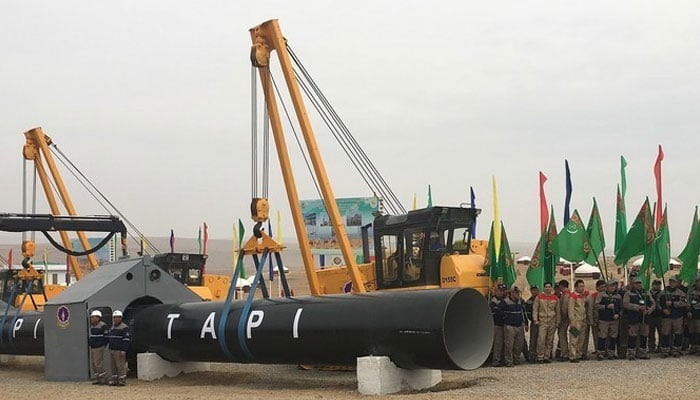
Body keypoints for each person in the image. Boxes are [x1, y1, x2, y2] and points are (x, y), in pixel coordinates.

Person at [622, 277, 656, 360]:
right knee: (632, 336)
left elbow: (653, 303)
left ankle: (643, 353)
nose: (638, 285)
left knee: (644, 336)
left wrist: (648, 310)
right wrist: (638, 307)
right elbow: (626, 304)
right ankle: (631, 354)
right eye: (636, 283)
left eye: (639, 283)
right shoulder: (628, 293)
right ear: (632, 284)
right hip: (633, 318)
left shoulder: (646, 292)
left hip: (644, 318)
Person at [659, 276, 689, 357]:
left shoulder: (680, 293)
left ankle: (676, 350)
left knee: (678, 333)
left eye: (674, 282)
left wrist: (673, 303)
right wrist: (663, 309)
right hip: (666, 317)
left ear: (677, 283)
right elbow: (658, 303)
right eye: (670, 282)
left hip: (677, 316)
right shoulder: (663, 292)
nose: (672, 283)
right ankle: (665, 350)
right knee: (665, 333)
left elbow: (685, 303)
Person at [533, 281, 560, 363]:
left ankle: (546, 356)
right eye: (546, 287)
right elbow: (535, 309)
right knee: (541, 339)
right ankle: (540, 356)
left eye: (549, 287)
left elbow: (558, 311)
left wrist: (558, 321)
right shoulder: (539, 297)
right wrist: (535, 319)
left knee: (550, 340)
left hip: (552, 321)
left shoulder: (555, 298)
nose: (548, 289)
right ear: (544, 288)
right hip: (542, 321)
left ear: (551, 288)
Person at [595, 279, 621, 360]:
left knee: (613, 337)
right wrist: (606, 306)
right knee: (602, 337)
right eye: (611, 286)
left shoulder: (618, 296)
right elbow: (596, 306)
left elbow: (621, 308)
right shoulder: (601, 295)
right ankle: (600, 353)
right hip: (604, 319)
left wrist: (618, 314)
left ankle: (611, 353)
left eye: (614, 286)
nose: (613, 287)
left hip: (614, 320)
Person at [502, 286, 528, 367]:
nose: (518, 294)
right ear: (512, 293)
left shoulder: (520, 302)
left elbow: (524, 313)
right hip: (510, 326)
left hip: (520, 326)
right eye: (516, 293)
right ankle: (508, 361)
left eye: (518, 293)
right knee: (509, 345)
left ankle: (516, 359)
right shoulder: (505, 302)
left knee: (519, 345)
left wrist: (526, 323)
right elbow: (501, 314)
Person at [108, 310, 130, 386]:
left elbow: (126, 340)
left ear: (121, 318)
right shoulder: (112, 327)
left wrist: (124, 350)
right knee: (113, 366)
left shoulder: (124, 327)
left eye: (117, 317)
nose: (116, 319)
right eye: (114, 317)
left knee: (120, 366)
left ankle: (122, 381)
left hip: (119, 350)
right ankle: (114, 380)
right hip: (112, 349)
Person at [585, 280, 606, 360]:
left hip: (604, 319)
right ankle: (598, 351)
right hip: (595, 319)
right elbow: (590, 309)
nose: (603, 289)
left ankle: (603, 351)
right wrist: (591, 320)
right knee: (596, 336)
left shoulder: (607, 295)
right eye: (602, 287)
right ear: (597, 288)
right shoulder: (592, 296)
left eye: (604, 287)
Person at [567, 279, 588, 362]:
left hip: (583, 320)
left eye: (583, 286)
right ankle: (572, 355)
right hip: (576, 321)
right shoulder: (573, 296)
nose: (582, 288)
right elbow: (570, 309)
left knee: (581, 339)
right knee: (574, 339)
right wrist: (572, 321)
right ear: (576, 287)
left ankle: (579, 354)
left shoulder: (582, 296)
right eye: (580, 286)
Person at [88, 310, 109, 385]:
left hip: (99, 347)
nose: (92, 319)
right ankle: (97, 378)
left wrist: (103, 345)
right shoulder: (93, 326)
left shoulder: (103, 325)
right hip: (93, 347)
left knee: (98, 363)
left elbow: (106, 337)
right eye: (91, 317)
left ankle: (103, 378)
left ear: (98, 318)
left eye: (93, 317)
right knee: (94, 363)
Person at [490, 283, 507, 367]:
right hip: (497, 325)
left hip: (504, 325)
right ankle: (496, 361)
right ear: (496, 292)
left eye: (503, 291)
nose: (502, 293)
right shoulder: (493, 301)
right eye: (500, 291)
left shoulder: (504, 301)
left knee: (505, 343)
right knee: (498, 344)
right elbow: (496, 313)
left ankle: (502, 359)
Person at [648, 279, 664, 352]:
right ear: (653, 285)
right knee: (650, 333)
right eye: (656, 284)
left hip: (660, 315)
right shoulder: (648, 293)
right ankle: (651, 347)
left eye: (659, 284)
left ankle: (660, 347)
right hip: (650, 315)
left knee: (661, 332)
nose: (658, 286)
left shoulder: (663, 293)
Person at [524, 285, 540, 362]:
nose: (535, 292)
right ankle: (532, 356)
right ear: (531, 291)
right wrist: (534, 319)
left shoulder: (541, 299)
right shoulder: (528, 302)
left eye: (536, 290)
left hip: (542, 322)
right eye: (533, 290)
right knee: (533, 340)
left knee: (541, 340)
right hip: (534, 323)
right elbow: (528, 314)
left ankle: (540, 355)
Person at [556, 280, 570, 361]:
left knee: (562, 334)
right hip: (568, 318)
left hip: (565, 318)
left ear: (562, 286)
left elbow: (564, 307)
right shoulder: (567, 293)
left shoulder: (566, 294)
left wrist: (562, 317)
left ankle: (564, 353)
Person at [687, 275, 700, 354]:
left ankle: (699, 347)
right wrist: (688, 311)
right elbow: (688, 301)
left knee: (699, 330)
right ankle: (693, 346)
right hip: (692, 313)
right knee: (691, 330)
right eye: (698, 281)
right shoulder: (691, 291)